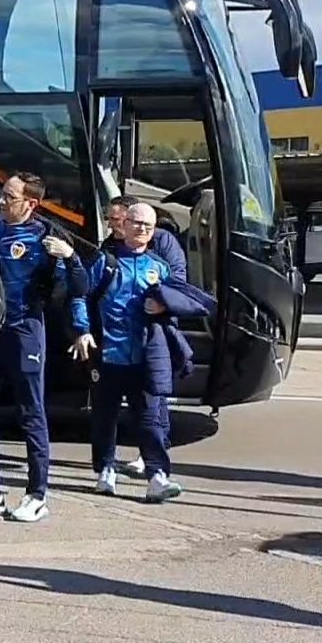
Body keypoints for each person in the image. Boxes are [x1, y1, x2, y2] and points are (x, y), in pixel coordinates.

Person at [66, 200, 205, 502]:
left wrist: (163, 307)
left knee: (150, 418)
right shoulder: (105, 262)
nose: (141, 229)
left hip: (146, 355)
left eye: (148, 226)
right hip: (108, 353)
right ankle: (105, 469)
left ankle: (157, 475)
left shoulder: (159, 267)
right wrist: (83, 330)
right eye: (137, 223)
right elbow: (80, 296)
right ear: (124, 225)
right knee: (105, 416)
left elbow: (179, 300)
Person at [0, 173, 71, 524]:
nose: (1, 201)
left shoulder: (46, 236)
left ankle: (37, 494)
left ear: (30, 203)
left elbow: (76, 286)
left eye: (9, 197)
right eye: (2, 193)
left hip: (24, 330)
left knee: (30, 411)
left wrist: (68, 259)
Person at [98, 194, 187, 477]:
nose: (111, 224)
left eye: (115, 219)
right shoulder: (108, 251)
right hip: (114, 346)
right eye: (110, 219)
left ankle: (156, 465)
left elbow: (178, 285)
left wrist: (163, 304)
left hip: (152, 339)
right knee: (109, 411)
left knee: (152, 404)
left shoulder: (162, 248)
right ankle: (107, 467)